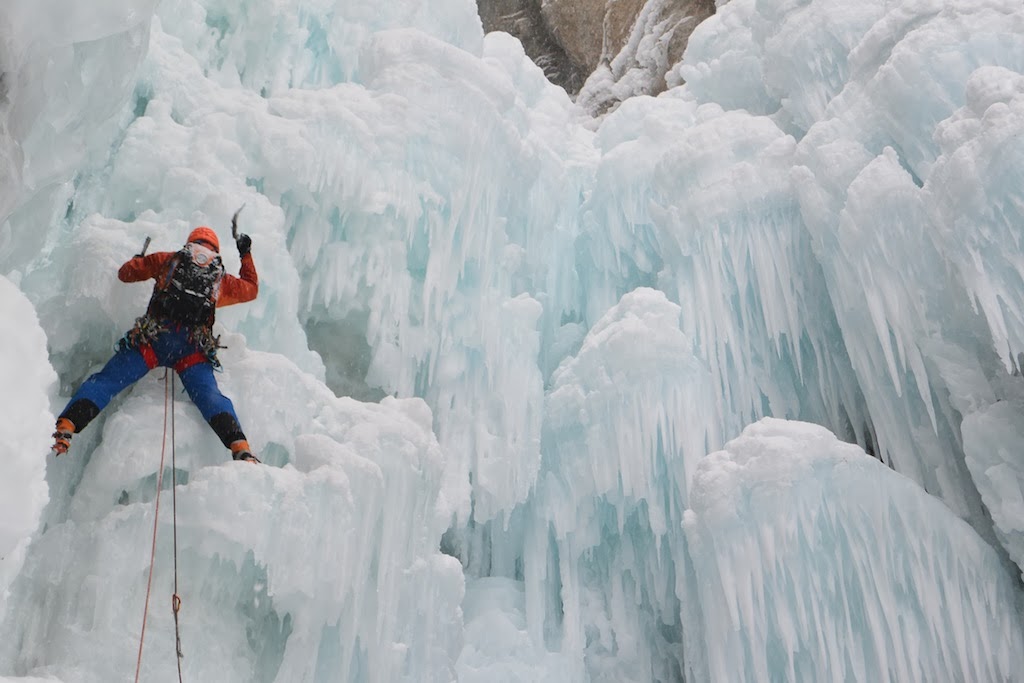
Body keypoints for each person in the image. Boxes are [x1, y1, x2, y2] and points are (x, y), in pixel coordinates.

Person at [51, 223, 260, 463]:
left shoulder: (167, 261)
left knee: (107, 381)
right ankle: (239, 446)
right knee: (209, 397)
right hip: (192, 350)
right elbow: (251, 289)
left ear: (189, 243)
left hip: (153, 341)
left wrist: (137, 259)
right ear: (215, 251)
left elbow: (125, 274)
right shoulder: (219, 280)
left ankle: (68, 425)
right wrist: (246, 254)